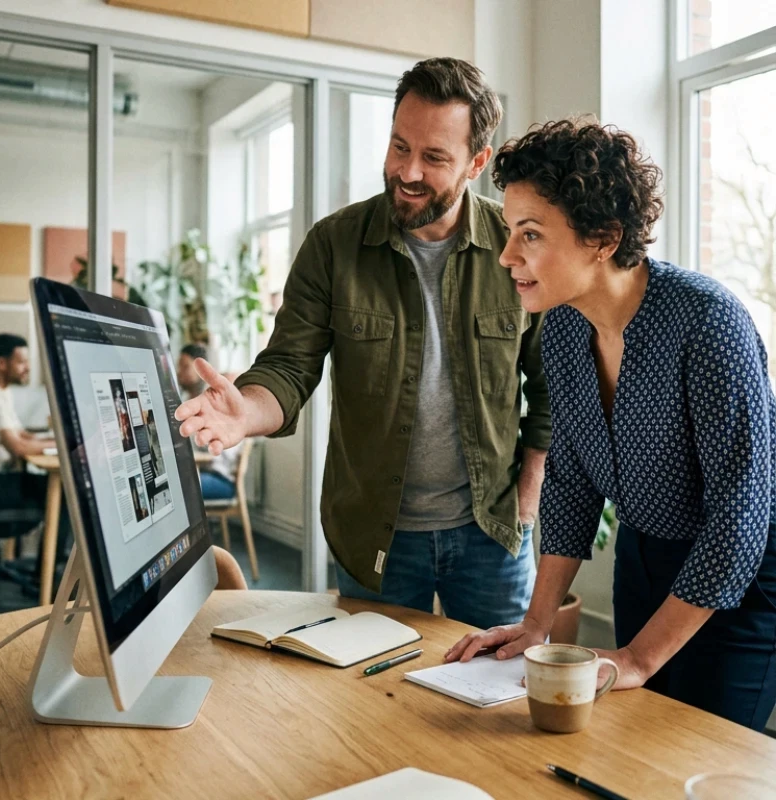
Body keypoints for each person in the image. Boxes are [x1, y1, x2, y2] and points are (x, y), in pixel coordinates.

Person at [174, 58, 552, 629]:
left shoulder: (516, 248)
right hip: (377, 535)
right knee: (374, 703)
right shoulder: (333, 245)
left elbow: (552, 389)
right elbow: (288, 365)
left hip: (490, 534)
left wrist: (529, 493)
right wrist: (246, 411)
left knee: (496, 697)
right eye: (400, 147)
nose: (408, 171)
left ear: (477, 162)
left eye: (434, 157)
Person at [445, 119, 776, 731]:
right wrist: (537, 622)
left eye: (531, 235)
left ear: (603, 238)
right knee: (635, 744)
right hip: (644, 557)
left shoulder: (707, 324)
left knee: (703, 753)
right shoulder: (567, 328)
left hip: (742, 573)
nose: (507, 255)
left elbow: (739, 516)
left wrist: (638, 658)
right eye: (510, 233)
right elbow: (570, 479)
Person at [0, 334, 55, 509]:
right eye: (22, 362)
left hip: (1, 476)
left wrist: (56, 441)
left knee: (57, 489)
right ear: (2, 364)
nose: (28, 368)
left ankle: (46, 537)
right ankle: (47, 538)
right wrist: (63, 446)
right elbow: (18, 446)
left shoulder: (1, 390)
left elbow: (21, 435)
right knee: (64, 494)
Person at [176, 343, 241, 501]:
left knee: (178, 488)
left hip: (220, 477)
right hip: (197, 472)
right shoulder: (184, 402)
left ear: (200, 371)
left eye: (185, 367)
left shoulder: (216, 402)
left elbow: (217, 454)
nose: (178, 373)